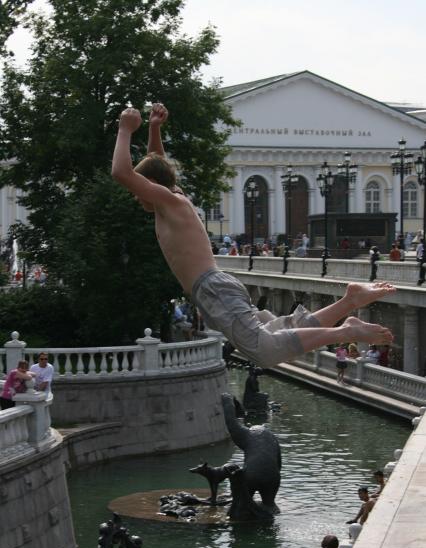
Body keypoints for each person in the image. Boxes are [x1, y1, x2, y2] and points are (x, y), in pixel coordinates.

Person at [112, 104, 396, 369]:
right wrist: (154, 129)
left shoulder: (170, 203)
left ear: (151, 186)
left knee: (266, 351)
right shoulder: (172, 200)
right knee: (279, 330)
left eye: (139, 191)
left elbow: (121, 172)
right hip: (215, 286)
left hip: (212, 288)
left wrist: (125, 128)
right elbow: (158, 164)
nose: (137, 197)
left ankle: (347, 330)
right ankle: (349, 301)